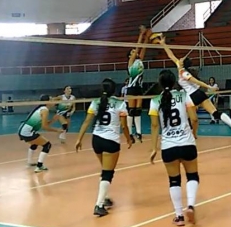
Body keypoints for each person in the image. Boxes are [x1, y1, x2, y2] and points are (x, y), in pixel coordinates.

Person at [155, 35, 231, 138]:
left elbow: (195, 80)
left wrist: (209, 87)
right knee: (215, 113)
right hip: (200, 94)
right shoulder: (179, 66)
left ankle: (192, 134)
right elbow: (171, 55)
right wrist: (163, 44)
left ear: (183, 64)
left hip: (191, 97)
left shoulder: (183, 72)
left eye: (182, 59)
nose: (180, 58)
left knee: (193, 119)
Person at [149, 70, 200, 227]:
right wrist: (194, 134)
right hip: (187, 143)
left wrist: (154, 148)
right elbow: (194, 118)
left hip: (168, 146)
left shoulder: (155, 101)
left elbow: (154, 125)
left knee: (174, 181)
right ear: (174, 82)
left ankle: (179, 215)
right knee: (192, 176)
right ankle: (190, 205)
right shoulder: (184, 95)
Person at [75, 78, 132, 217]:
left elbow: (87, 121)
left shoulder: (95, 102)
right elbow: (124, 126)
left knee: (105, 170)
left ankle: (104, 197)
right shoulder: (120, 104)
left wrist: (79, 139)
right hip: (110, 141)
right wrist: (129, 139)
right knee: (108, 173)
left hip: (96, 140)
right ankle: (99, 205)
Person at [18, 95, 61, 173]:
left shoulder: (41, 109)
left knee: (35, 143)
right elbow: (45, 127)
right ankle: (39, 166)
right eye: (51, 100)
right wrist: (57, 130)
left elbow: (44, 124)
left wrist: (53, 120)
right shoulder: (45, 110)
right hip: (27, 131)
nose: (53, 101)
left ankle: (30, 161)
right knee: (47, 145)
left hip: (22, 130)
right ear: (47, 102)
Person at [126, 25, 152, 143]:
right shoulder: (131, 62)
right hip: (131, 88)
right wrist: (141, 35)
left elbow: (143, 48)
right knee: (131, 111)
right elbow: (137, 48)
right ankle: (130, 133)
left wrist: (147, 37)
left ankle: (139, 132)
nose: (134, 52)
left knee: (138, 111)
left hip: (139, 88)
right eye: (132, 52)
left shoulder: (139, 60)